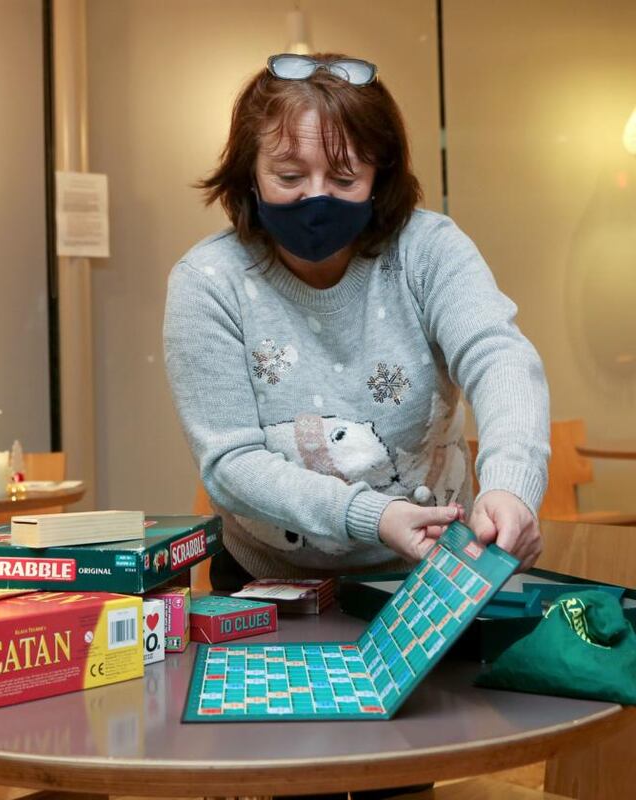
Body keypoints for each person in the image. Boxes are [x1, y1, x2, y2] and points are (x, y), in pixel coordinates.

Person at [163, 52, 550, 595]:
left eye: (345, 178)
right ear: (249, 173)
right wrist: (374, 515)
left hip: (429, 577)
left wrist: (511, 487)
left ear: (379, 177)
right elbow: (232, 462)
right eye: (290, 175)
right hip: (270, 582)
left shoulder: (428, 250)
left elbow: (499, 358)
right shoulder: (208, 280)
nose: (315, 198)